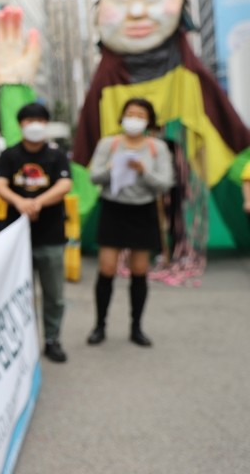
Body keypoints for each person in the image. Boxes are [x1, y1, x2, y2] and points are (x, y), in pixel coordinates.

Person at [87, 98, 174, 347]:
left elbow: (165, 182)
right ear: (122, 117)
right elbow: (94, 176)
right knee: (107, 269)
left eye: (140, 115)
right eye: (130, 114)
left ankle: (136, 327)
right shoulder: (109, 143)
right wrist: (111, 168)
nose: (134, 119)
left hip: (143, 212)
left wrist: (142, 169)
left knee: (139, 271)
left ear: (148, 121)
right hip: (113, 210)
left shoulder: (157, 147)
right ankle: (99, 325)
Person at [0, 102, 72, 364]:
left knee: (54, 294)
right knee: (18, 292)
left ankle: (52, 339)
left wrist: (37, 202)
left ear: (46, 124)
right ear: (20, 125)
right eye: (28, 121)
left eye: (39, 120)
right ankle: (21, 340)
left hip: (50, 235)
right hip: (16, 237)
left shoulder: (56, 155)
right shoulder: (10, 155)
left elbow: (64, 183)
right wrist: (19, 202)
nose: (34, 125)